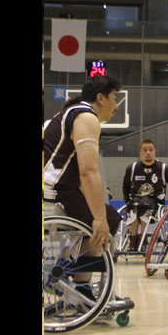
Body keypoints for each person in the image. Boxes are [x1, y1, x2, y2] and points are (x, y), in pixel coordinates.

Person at [44, 76, 124, 298]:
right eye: (114, 98)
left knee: (102, 214)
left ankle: (68, 266)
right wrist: (99, 218)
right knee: (109, 219)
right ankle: (79, 284)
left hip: (53, 188)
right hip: (57, 192)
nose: (116, 105)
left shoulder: (64, 115)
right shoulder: (86, 117)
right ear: (100, 98)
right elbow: (88, 172)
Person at [122, 138, 168, 251]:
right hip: (136, 202)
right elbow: (125, 187)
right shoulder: (132, 168)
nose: (148, 152)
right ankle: (133, 240)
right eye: (145, 150)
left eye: (150, 150)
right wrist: (127, 202)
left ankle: (143, 240)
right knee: (134, 206)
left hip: (155, 203)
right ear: (140, 152)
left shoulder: (163, 169)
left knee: (144, 206)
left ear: (155, 151)